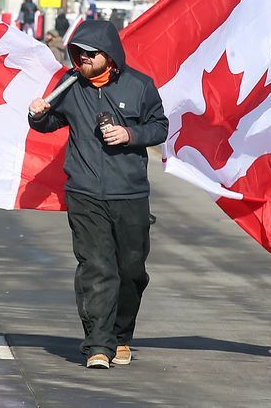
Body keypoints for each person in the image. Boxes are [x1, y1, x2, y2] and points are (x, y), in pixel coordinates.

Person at [27, 20, 167, 370]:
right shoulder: (70, 85)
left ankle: (121, 337)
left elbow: (160, 126)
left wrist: (130, 135)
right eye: (78, 53)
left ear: (109, 55)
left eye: (90, 54)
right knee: (97, 268)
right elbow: (49, 123)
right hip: (85, 192)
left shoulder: (140, 86)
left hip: (130, 194)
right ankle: (97, 345)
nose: (83, 60)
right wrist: (36, 115)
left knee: (131, 271)